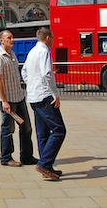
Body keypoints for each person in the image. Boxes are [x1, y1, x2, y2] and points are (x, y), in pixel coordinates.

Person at [22, 27, 66, 181]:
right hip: (45, 96)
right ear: (48, 38)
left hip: (33, 97)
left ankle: (46, 165)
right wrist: (55, 93)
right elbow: (47, 73)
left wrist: (32, 84)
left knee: (43, 133)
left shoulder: (32, 51)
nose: (53, 40)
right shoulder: (44, 51)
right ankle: (44, 163)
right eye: (53, 37)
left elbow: (24, 72)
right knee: (59, 130)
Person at [0, 30, 36, 167]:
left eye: (12, 37)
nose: (12, 40)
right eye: (9, 38)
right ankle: (6, 157)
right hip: (8, 99)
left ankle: (27, 156)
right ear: (2, 41)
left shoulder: (12, 55)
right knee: (8, 128)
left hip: (18, 96)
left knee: (26, 126)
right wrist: (3, 100)